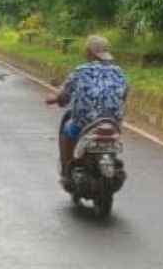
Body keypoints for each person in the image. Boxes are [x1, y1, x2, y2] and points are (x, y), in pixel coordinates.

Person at [46, 34, 129, 187]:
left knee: (67, 130)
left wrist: (54, 98)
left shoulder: (81, 71)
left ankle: (66, 171)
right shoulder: (119, 72)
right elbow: (124, 95)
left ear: (90, 52)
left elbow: (65, 94)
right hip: (112, 123)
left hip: (85, 123)